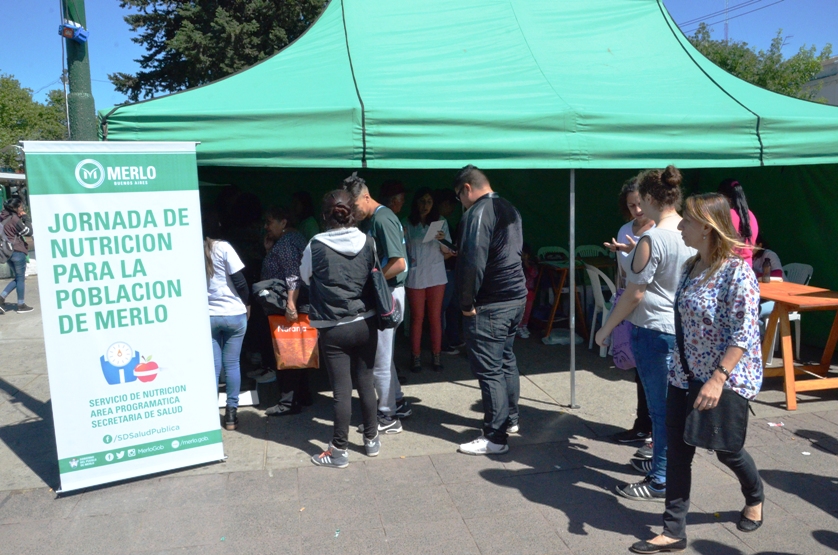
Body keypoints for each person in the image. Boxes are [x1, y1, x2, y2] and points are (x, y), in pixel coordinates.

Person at [629, 193, 764, 554]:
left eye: (686, 220)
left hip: (724, 378)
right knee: (677, 450)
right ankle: (673, 531)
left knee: (727, 450)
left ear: (707, 227)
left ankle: (755, 495)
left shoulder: (738, 272)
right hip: (684, 374)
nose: (681, 226)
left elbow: (744, 334)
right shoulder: (691, 266)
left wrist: (718, 379)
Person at [595, 166, 695, 502]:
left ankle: (661, 479)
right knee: (667, 408)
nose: (638, 206)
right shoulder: (691, 230)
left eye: (641, 200)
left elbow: (634, 293)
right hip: (679, 330)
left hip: (653, 330)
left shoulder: (652, 239)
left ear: (651, 198)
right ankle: (663, 465)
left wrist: (606, 329)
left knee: (660, 411)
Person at [301, 190, 380, 468]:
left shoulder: (316, 244)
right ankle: (371, 441)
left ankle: (339, 451)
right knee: (366, 382)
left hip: (333, 327)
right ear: (351, 212)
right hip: (366, 322)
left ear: (325, 215)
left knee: (342, 391)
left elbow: (305, 276)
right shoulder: (368, 241)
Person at [454, 165, 527, 455]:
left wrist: (465, 303)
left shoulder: (479, 211)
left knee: (490, 369)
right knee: (506, 359)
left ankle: (495, 437)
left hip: (492, 302)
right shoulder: (509, 207)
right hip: (515, 297)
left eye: (459, 196)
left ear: (467, 188)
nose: (460, 202)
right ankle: (510, 420)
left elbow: (473, 260)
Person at [341, 173, 411, 434]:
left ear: (366, 197)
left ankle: (387, 415)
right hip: (389, 292)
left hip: (389, 294)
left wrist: (372, 279)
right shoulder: (377, 218)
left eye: (354, 206)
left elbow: (399, 262)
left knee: (380, 358)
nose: (353, 212)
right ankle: (397, 402)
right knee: (386, 355)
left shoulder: (382, 218)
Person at [604, 178, 655, 449]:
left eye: (639, 203)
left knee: (652, 371)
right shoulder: (626, 229)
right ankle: (643, 425)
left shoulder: (660, 229)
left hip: (652, 308)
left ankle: (652, 430)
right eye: (631, 205)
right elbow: (622, 271)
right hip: (629, 304)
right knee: (637, 369)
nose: (636, 210)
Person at [260, 206, 312, 416]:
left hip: (289, 305)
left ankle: (288, 402)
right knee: (299, 350)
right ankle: (303, 395)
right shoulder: (293, 238)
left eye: (269, 222)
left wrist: (291, 304)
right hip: (296, 303)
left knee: (288, 352)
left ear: (283, 223)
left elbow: (292, 275)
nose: (266, 227)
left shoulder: (287, 243)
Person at [204, 211, 250, 431]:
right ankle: (231, 414)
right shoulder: (224, 248)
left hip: (208, 315)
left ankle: (210, 415)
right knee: (232, 364)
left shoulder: (192, 248)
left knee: (213, 367)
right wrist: (248, 304)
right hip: (233, 313)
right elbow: (240, 282)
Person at [404, 187, 453, 373]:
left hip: (436, 274)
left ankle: (436, 355)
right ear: (416, 202)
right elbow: (401, 249)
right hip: (416, 274)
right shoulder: (407, 223)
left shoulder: (441, 222)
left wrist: (442, 240)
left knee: (435, 317)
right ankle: (415, 356)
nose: (425, 205)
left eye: (429, 201)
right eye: (422, 201)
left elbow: (448, 253)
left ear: (434, 205)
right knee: (417, 318)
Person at [435, 188, 464, 354]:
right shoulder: (438, 222)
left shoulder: (445, 222)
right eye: (451, 205)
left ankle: (453, 338)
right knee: (441, 309)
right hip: (442, 269)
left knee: (453, 306)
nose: (452, 209)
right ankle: (442, 342)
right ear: (445, 204)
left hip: (450, 269)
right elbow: (443, 249)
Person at [0, 196, 34, 313]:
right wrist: (26, 218)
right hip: (17, 251)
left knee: (18, 278)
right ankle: (21, 304)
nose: (22, 208)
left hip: (6, 251)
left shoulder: (2, 215)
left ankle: (1, 298)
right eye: (20, 206)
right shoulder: (15, 219)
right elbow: (28, 232)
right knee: (20, 279)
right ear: (15, 207)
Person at [718, 179, 758, 267]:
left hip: (728, 267)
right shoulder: (751, 215)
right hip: (747, 268)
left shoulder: (727, 215)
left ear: (724, 197)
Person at [517, 243, 538, 339]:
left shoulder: (532, 264)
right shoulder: (515, 264)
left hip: (529, 291)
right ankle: (519, 327)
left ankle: (524, 325)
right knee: (520, 311)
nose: (523, 256)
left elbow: (534, 274)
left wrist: (526, 263)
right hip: (519, 292)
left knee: (527, 311)